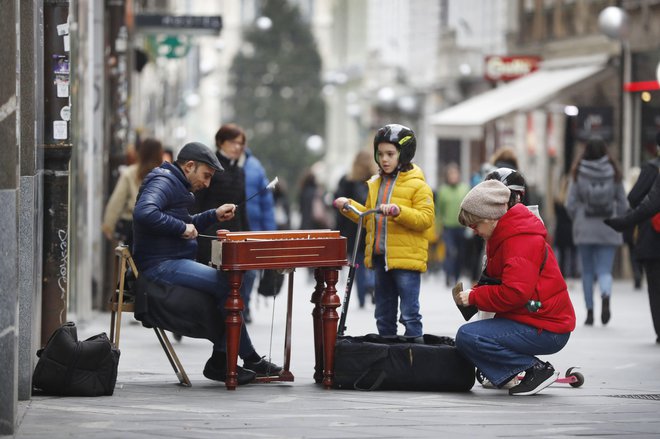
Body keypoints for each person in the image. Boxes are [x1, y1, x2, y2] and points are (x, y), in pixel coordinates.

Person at [132, 141, 282, 385]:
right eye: (206, 175)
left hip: (171, 261)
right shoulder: (164, 181)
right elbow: (145, 212)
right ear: (189, 166)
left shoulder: (175, 183)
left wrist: (213, 215)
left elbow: (182, 221)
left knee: (233, 283)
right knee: (230, 285)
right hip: (160, 266)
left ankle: (230, 360)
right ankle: (233, 360)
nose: (207, 183)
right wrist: (182, 228)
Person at [453, 179, 576, 396]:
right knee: (470, 335)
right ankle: (513, 371)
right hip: (534, 317)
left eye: (475, 225)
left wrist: (474, 297)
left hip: (547, 327)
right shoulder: (502, 235)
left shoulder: (519, 240)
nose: (474, 231)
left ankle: (536, 370)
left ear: (490, 218)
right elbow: (496, 281)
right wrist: (473, 294)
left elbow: (514, 293)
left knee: (469, 336)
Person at [333, 124, 435, 340]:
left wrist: (400, 211)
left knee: (409, 314)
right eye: (380, 154)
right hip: (380, 258)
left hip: (405, 261)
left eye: (390, 154)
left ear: (403, 154)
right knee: (383, 314)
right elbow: (369, 216)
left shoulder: (418, 185)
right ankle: (388, 357)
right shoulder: (375, 184)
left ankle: (413, 355)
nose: (384, 159)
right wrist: (349, 206)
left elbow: (426, 219)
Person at [191, 124, 256, 321]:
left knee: (237, 279)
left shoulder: (240, 170)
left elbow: (242, 208)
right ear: (221, 142)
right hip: (210, 233)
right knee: (209, 278)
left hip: (233, 233)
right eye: (233, 142)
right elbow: (197, 201)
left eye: (241, 144)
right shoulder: (210, 167)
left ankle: (228, 318)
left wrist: (247, 235)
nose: (237, 147)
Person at [566, 137, 628, 326]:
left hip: (584, 227)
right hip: (608, 226)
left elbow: (570, 203)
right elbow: (624, 203)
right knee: (604, 270)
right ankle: (605, 294)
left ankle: (590, 311)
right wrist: (619, 218)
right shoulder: (614, 172)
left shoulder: (578, 172)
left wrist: (578, 217)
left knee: (587, 271)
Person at [604, 134, 660, 343]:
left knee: (655, 286)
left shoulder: (652, 168)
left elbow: (640, 200)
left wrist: (624, 221)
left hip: (652, 238)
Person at [334, 150, 378, 308]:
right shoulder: (375, 181)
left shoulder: (347, 181)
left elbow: (339, 208)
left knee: (358, 264)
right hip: (371, 226)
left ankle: (361, 298)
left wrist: (338, 231)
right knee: (372, 262)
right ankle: (372, 285)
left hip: (354, 229)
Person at [102, 138, 163, 249]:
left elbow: (117, 201)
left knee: (132, 261)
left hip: (133, 227)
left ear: (141, 153)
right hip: (158, 226)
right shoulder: (164, 175)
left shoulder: (130, 173)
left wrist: (108, 225)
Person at [242, 143, 277, 315]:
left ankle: (244, 305)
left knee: (250, 272)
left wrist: (270, 233)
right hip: (228, 226)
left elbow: (266, 204)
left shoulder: (255, 167)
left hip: (252, 227)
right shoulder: (219, 165)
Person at [436, 162, 470, 287]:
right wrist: (438, 227)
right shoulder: (443, 191)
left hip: (461, 226)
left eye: (455, 173)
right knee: (450, 252)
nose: (453, 176)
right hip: (448, 227)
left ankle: (456, 276)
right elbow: (438, 211)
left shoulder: (464, 189)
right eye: (450, 174)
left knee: (460, 254)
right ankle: (448, 274)